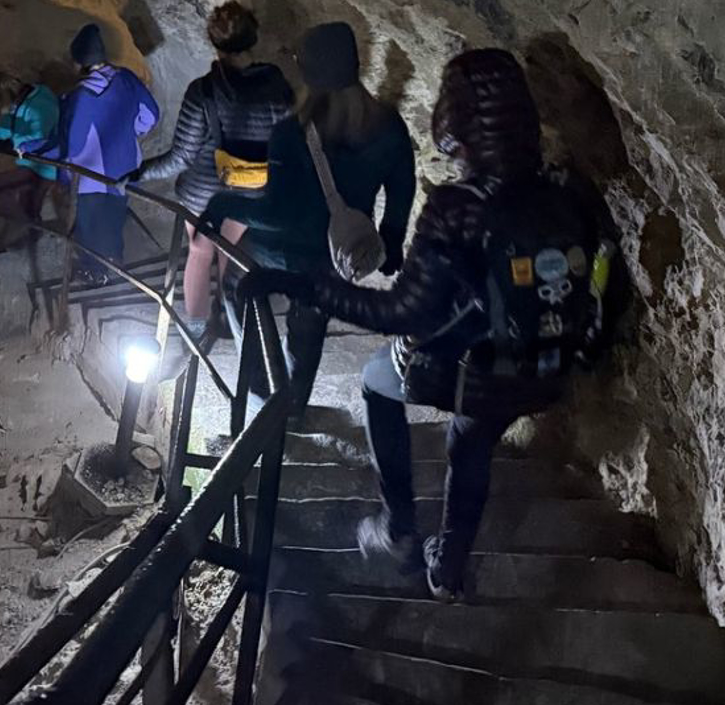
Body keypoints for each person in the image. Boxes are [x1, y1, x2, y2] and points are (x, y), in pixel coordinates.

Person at [249, 49, 630, 601]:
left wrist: (309, 287)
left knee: (378, 381)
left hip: (478, 371)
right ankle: (448, 567)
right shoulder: (568, 188)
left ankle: (400, 529)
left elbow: (402, 313)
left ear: (456, 126)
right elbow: (605, 280)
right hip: (551, 368)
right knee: (470, 445)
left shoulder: (460, 205)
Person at [201, 21, 415, 405]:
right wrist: (392, 239)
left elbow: (278, 213)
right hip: (336, 254)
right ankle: (294, 404)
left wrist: (221, 205)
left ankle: (257, 386)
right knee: (311, 320)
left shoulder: (293, 133)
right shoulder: (388, 127)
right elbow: (402, 188)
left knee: (237, 280)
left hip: (285, 250)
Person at [137, 1, 293, 320]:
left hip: (205, 195)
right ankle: (230, 316)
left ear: (214, 42)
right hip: (253, 191)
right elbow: (287, 144)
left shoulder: (203, 92)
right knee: (231, 251)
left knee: (200, 250)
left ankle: (197, 325)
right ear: (253, 39)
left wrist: (140, 172)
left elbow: (181, 157)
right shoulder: (277, 88)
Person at [45, 24, 159, 286]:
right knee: (114, 220)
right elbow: (151, 115)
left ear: (79, 62)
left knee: (89, 229)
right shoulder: (127, 78)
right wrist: (132, 133)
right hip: (127, 167)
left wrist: (55, 170)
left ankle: (96, 273)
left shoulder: (82, 95)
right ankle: (117, 269)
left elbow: (72, 146)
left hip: (91, 175)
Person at [0, 70, 60, 254]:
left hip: (46, 166)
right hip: (31, 165)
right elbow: (6, 128)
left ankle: (26, 228)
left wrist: (11, 143)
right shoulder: (17, 103)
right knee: (30, 208)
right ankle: (30, 238)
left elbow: (40, 138)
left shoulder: (41, 104)